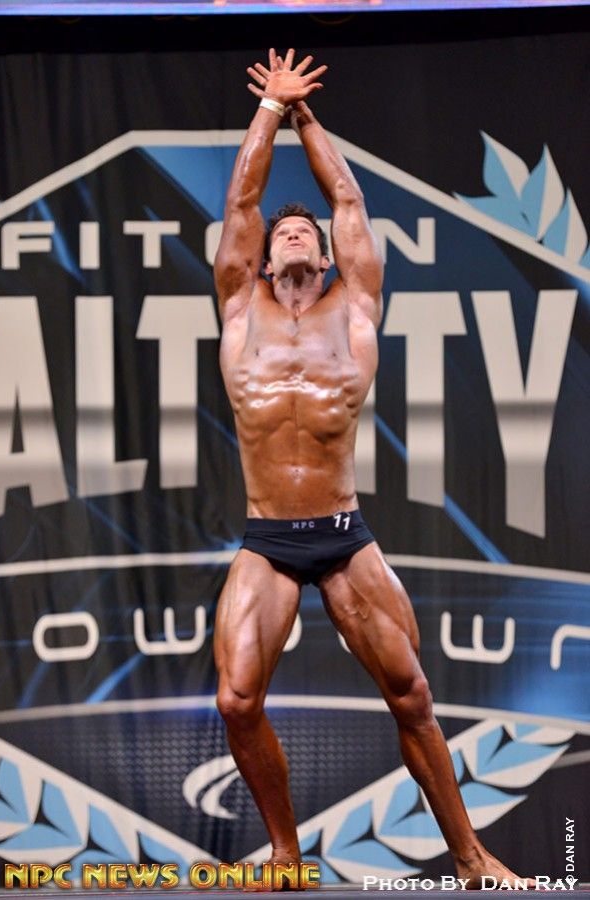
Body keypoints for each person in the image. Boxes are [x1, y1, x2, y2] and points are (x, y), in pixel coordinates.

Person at [213, 48, 533, 889]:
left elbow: (348, 202)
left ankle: (471, 858)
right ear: (259, 259)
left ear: (327, 260)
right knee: (236, 700)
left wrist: (306, 116)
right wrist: (269, 110)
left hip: (344, 535)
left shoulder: (354, 309)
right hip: (268, 538)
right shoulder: (238, 305)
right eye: (281, 233)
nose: (291, 233)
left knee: (412, 694)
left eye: (305, 233)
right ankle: (287, 856)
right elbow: (242, 202)